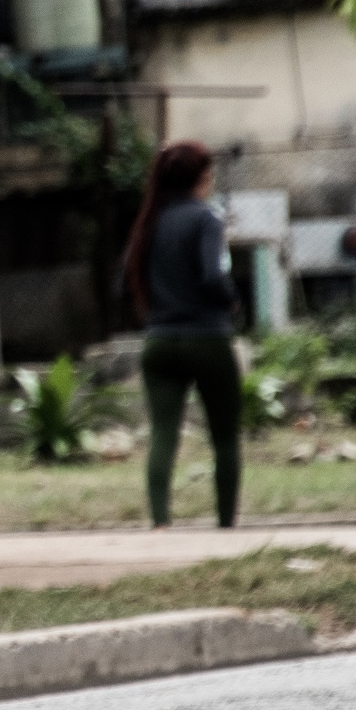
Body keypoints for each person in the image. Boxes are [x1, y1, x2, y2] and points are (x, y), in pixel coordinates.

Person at [122, 140, 240, 530]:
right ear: (202, 177)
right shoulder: (206, 218)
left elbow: (127, 279)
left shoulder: (148, 222)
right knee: (224, 437)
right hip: (207, 338)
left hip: (159, 342)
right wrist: (232, 300)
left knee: (163, 436)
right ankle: (225, 525)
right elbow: (212, 274)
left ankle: (160, 525)